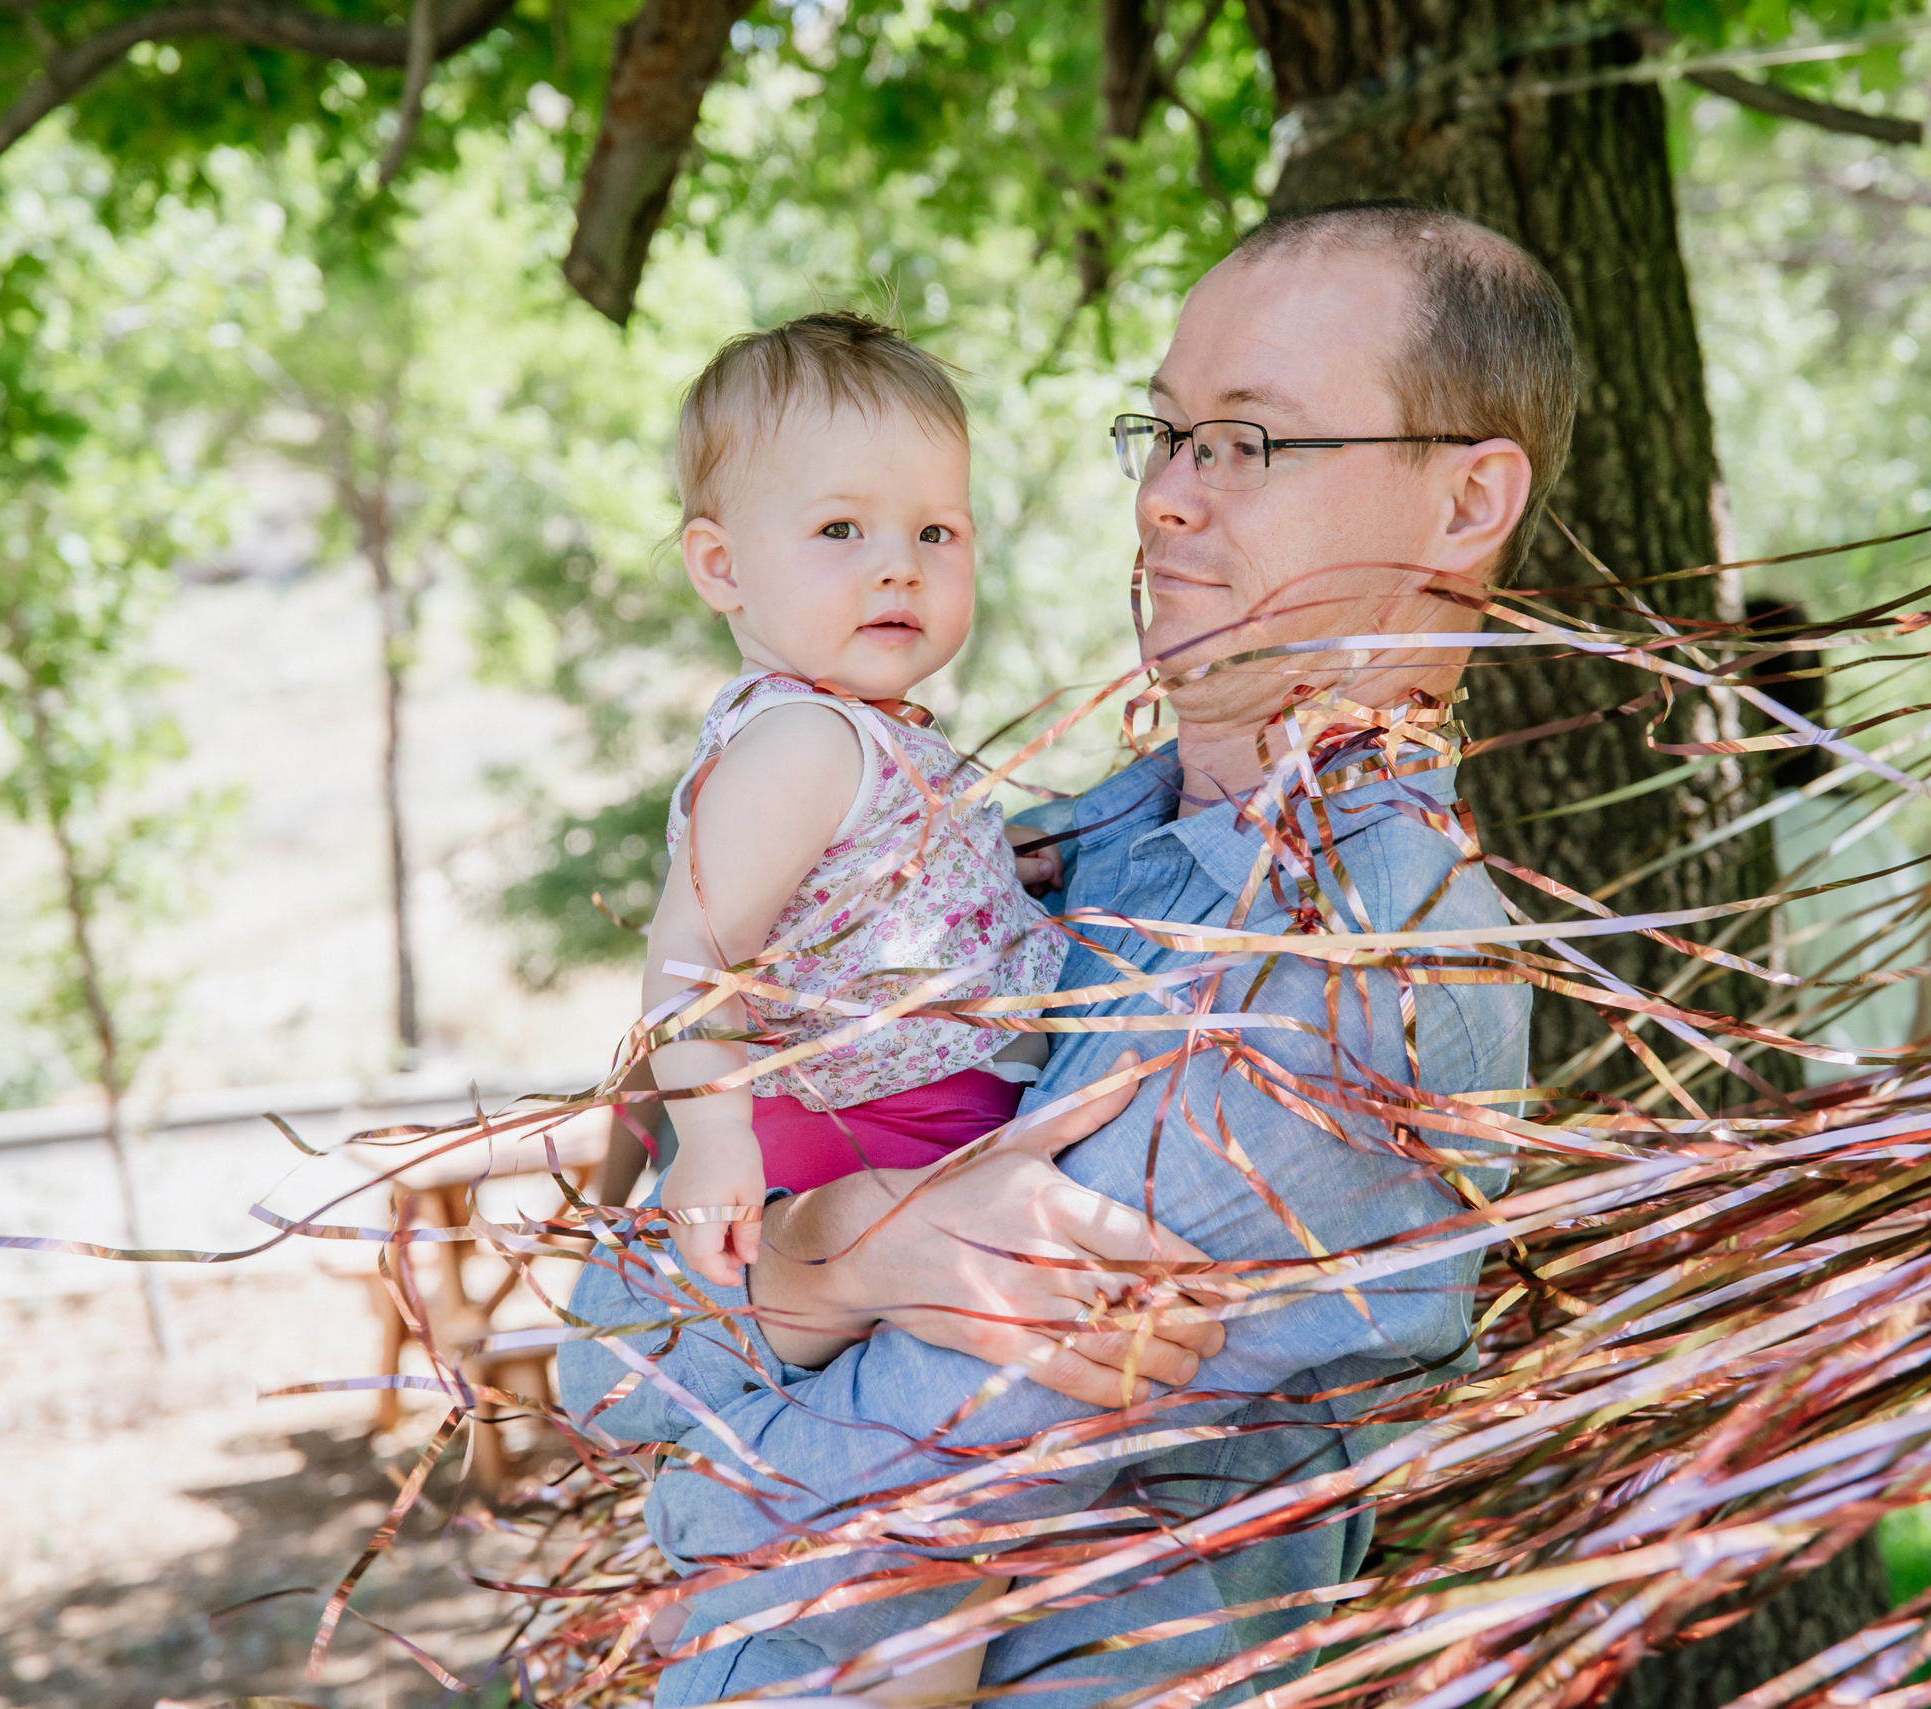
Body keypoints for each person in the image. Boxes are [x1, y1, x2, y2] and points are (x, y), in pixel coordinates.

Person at [562, 201, 1574, 1706]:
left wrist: (734, 1397)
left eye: (1249, 441)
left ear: (1467, 499)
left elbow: (863, 1490)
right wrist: (856, 1244)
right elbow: (605, 1340)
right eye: (1163, 433)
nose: (1168, 496)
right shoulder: (1048, 856)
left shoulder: (1369, 968)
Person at [633, 309, 1153, 1703]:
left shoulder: (878, 738)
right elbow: (691, 947)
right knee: (927, 1562)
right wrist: (715, 1134)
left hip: (919, 1130)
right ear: (720, 565)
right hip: (859, 1139)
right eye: (843, 531)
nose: (899, 568)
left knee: (932, 1555)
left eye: (937, 532)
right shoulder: (800, 736)